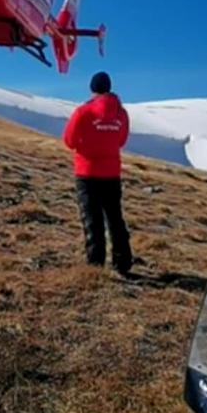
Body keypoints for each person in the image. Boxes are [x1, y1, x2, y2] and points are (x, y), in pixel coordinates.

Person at [62, 71, 132, 274]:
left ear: (92, 89)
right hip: (112, 173)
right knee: (115, 218)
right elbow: (121, 140)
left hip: (87, 172)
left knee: (92, 220)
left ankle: (95, 265)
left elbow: (69, 140)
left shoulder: (83, 112)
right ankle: (123, 262)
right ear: (109, 88)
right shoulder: (121, 113)